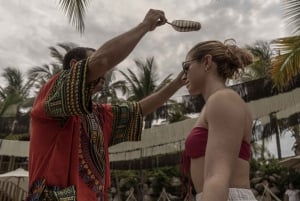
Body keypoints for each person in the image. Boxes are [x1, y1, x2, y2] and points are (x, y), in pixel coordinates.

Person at [26, 9, 186, 201]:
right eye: (94, 63)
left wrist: (179, 81)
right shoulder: (51, 93)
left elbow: (139, 110)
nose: (106, 71)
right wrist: (145, 25)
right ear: (76, 66)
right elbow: (102, 60)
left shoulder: (98, 114)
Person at [181, 39, 256, 201]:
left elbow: (217, 176)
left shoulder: (223, 99)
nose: (183, 75)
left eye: (186, 67)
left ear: (207, 62)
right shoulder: (216, 103)